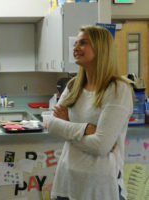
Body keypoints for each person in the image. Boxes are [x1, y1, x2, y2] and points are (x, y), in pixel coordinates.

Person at [46, 25, 134, 200]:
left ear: (101, 48)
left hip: (99, 188)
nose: (76, 48)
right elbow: (52, 125)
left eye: (83, 43)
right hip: (67, 182)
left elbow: (100, 146)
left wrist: (68, 128)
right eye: (75, 43)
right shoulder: (73, 85)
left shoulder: (117, 89)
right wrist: (86, 129)